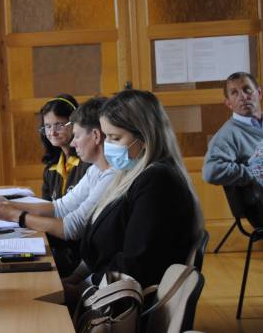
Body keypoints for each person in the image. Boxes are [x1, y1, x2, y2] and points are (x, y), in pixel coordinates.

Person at [72, 90, 202, 292]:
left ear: (145, 136)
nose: (106, 146)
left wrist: (82, 287)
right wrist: (75, 279)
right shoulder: (130, 173)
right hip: (104, 286)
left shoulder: (158, 181)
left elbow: (136, 265)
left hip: (122, 298)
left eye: (115, 138)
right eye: (106, 137)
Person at [0, 97, 115, 239]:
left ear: (96, 136)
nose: (73, 143)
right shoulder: (95, 170)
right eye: (48, 126)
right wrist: (9, 204)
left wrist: (17, 216)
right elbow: (60, 207)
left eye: (77, 136)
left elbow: (72, 227)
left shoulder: (108, 173)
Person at [203, 71, 263, 226]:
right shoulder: (227, 135)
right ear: (228, 103)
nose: (243, 96)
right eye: (234, 93)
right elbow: (211, 171)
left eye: (247, 89)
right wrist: (254, 172)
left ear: (259, 92)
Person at [38, 94, 91, 201]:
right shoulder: (50, 169)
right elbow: (46, 206)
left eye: (59, 125)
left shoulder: (88, 162)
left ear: (75, 123)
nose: (52, 133)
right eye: (48, 126)